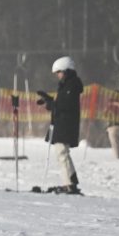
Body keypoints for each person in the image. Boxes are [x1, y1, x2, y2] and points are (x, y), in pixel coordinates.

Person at [36, 57, 84, 194]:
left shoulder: (71, 85)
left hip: (65, 124)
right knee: (62, 153)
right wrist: (49, 100)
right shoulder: (66, 85)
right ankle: (70, 182)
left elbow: (66, 105)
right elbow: (62, 102)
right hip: (62, 123)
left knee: (62, 153)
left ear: (67, 71)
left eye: (59, 72)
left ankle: (69, 183)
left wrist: (51, 104)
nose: (58, 75)